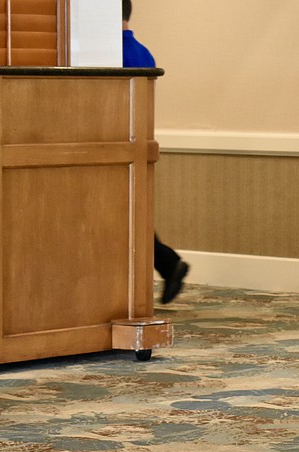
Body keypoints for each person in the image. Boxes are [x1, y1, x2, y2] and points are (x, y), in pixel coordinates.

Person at [122, 0, 189, 304]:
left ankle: (167, 261)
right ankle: (167, 261)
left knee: (122, 217)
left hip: (112, 146)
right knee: (128, 215)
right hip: (138, 145)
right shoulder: (143, 52)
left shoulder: (107, 53)